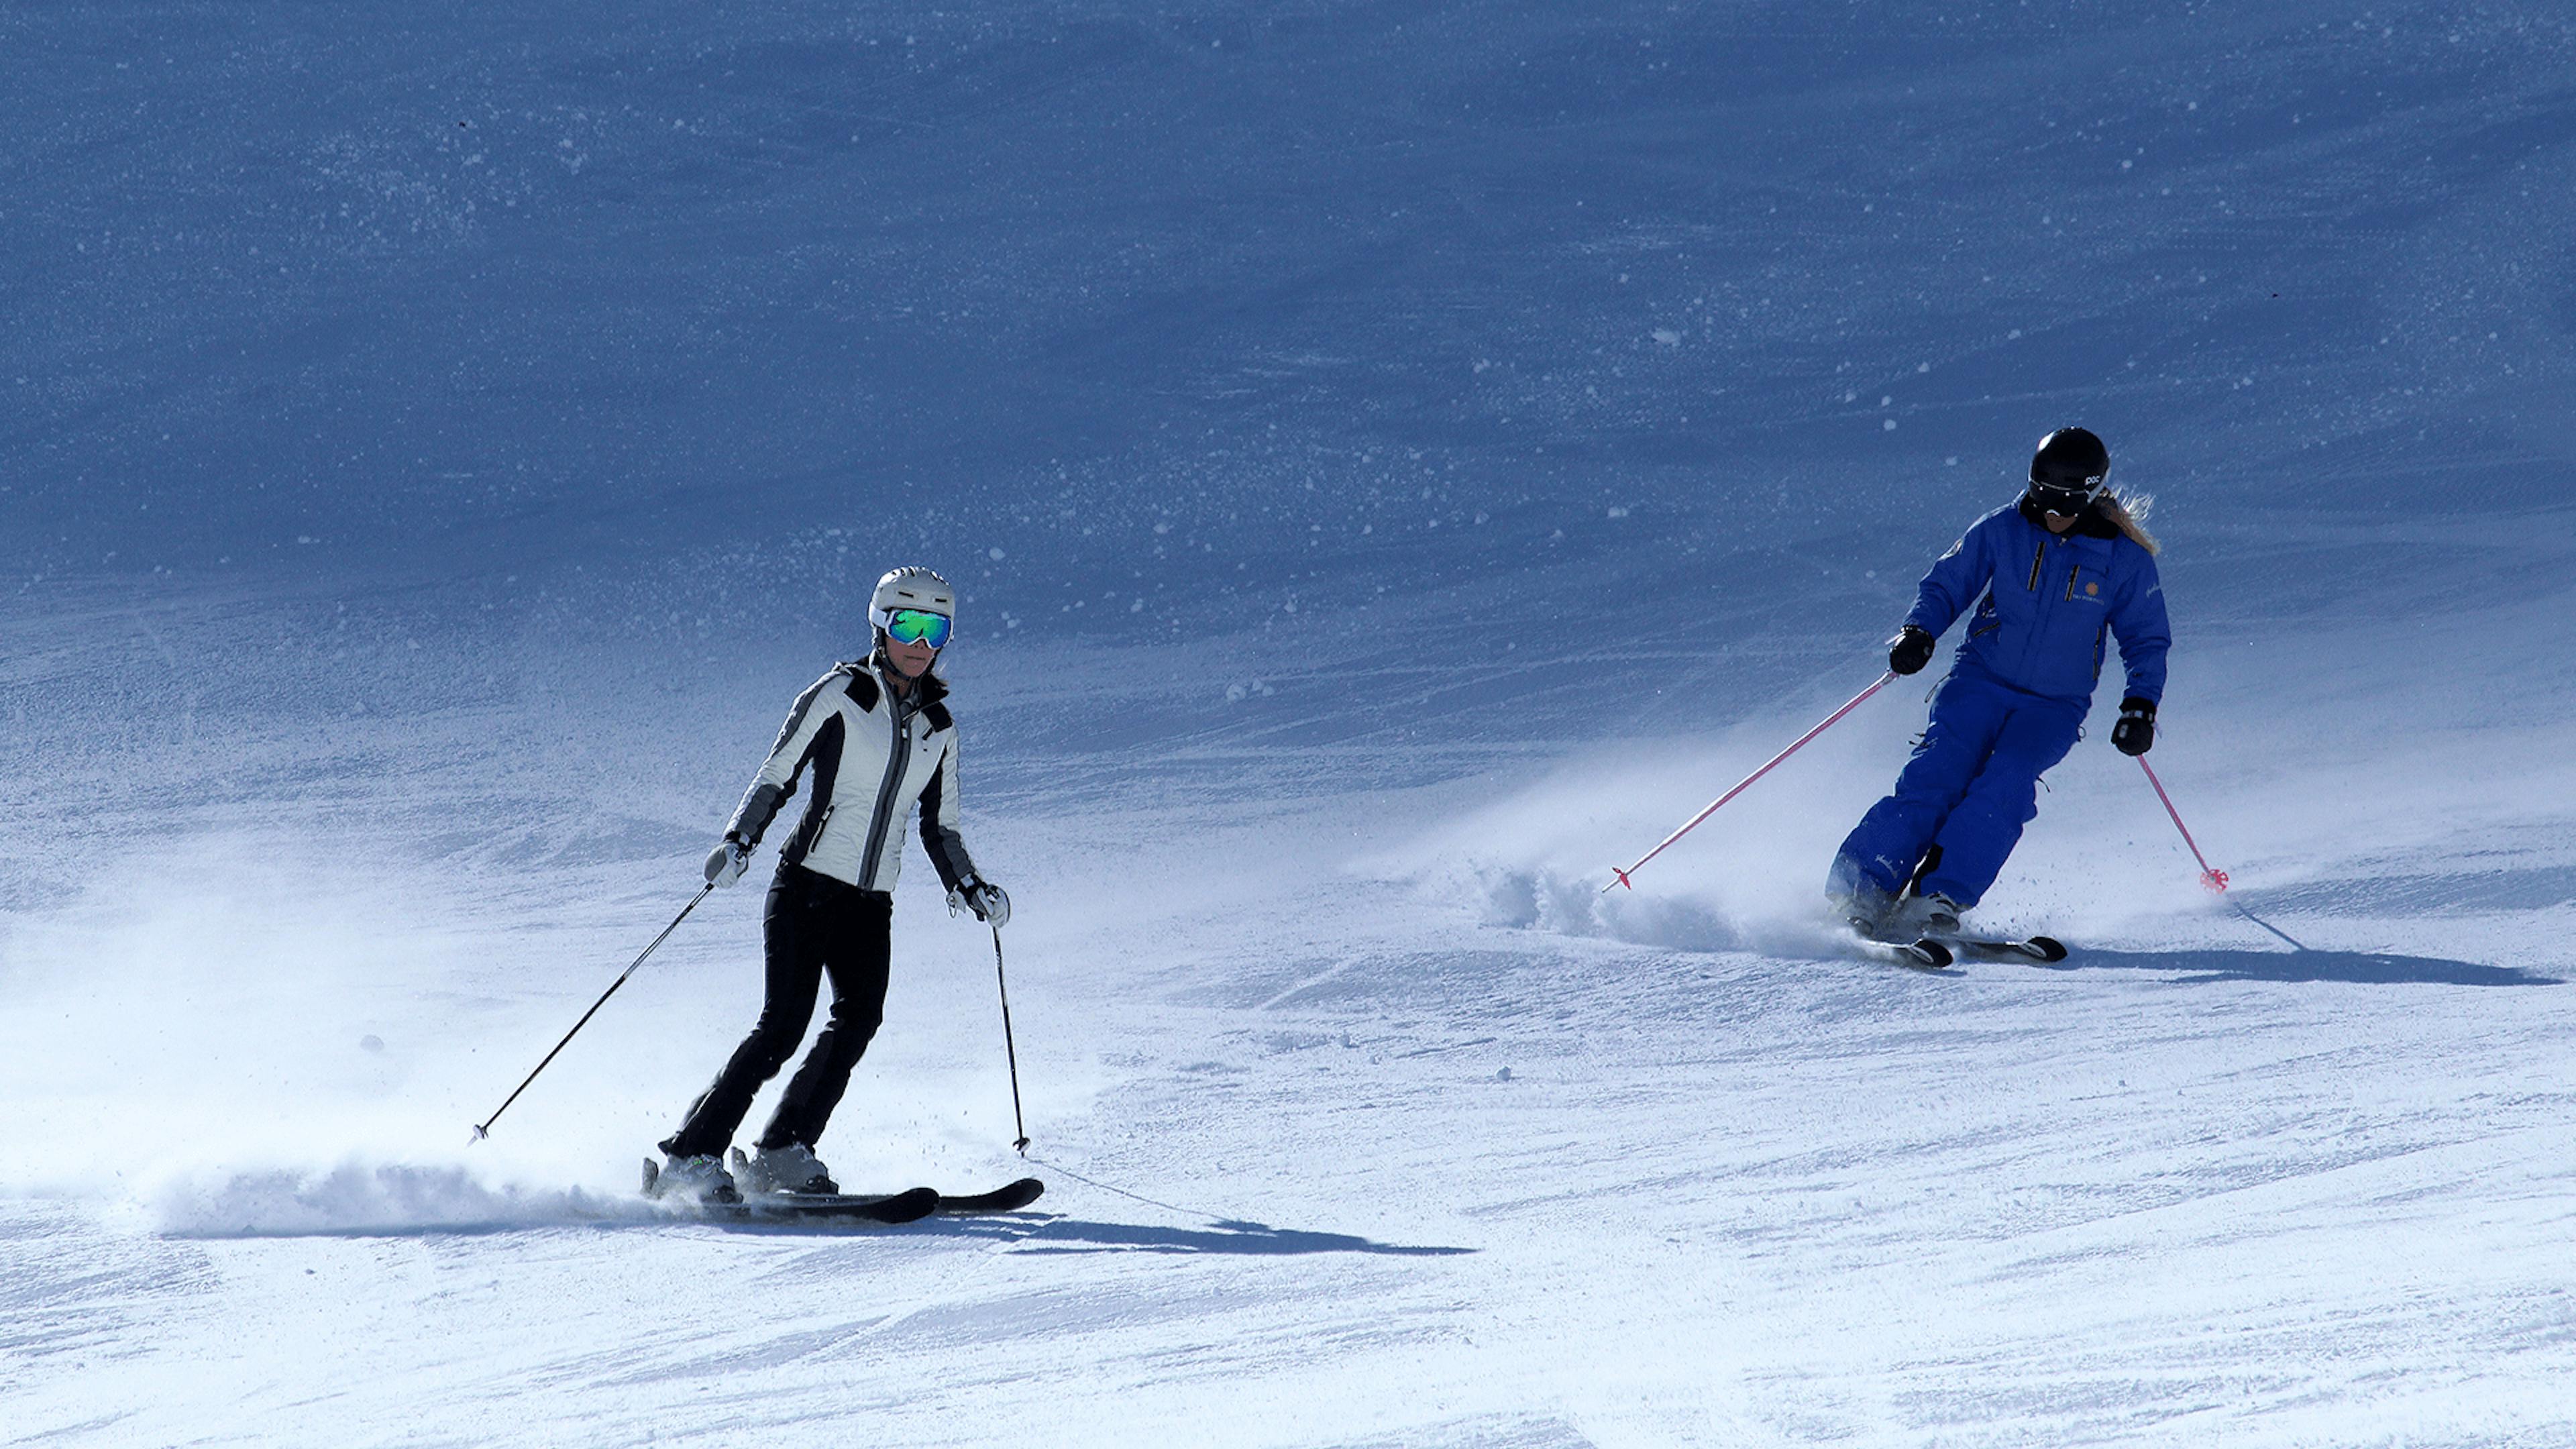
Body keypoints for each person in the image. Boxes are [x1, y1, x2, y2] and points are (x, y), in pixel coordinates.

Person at [651, 566, 1011, 1201]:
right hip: (807, 886)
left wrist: (970, 886)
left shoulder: (939, 726)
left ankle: (784, 1150)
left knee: (858, 1020)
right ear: (882, 624)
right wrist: (741, 841)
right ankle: (692, 1154)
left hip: (871, 903)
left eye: (936, 628)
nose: (921, 643)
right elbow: (779, 772)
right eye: (909, 625)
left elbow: (941, 826)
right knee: (782, 1027)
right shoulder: (841, 693)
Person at [1829, 427, 2170, 938]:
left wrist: (2140, 706)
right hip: (1979, 682)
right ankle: (1864, 887)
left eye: (2066, 507)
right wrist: (1919, 632)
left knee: (2005, 786)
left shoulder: (2124, 560)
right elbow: (1949, 581)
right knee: (1937, 773)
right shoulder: (2002, 529)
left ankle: (1939, 896)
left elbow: (2146, 638)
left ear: (2093, 496)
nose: (2052, 517)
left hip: (2053, 705)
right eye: (2043, 501)